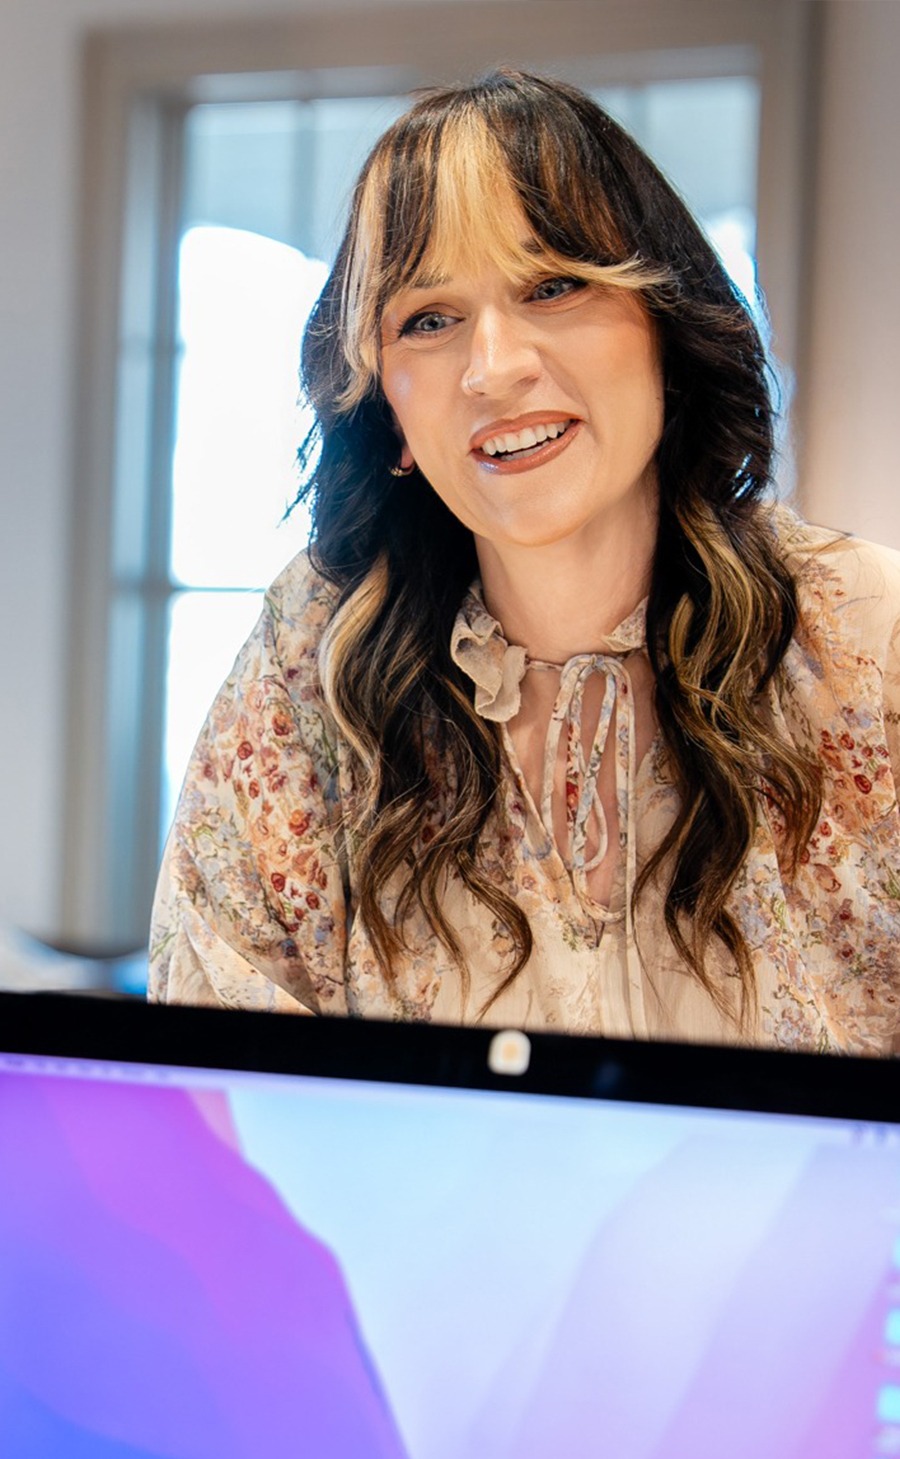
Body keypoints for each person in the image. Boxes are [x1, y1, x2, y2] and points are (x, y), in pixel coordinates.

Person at [149, 68, 900, 1054]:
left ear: (666, 329)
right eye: (429, 318)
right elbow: (221, 1088)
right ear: (389, 411)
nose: (494, 368)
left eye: (553, 285)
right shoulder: (312, 667)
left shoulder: (865, 640)